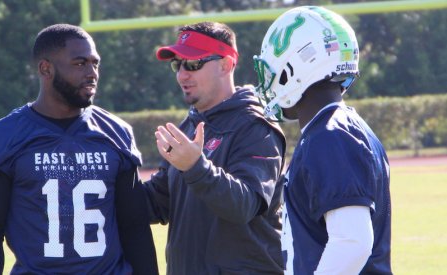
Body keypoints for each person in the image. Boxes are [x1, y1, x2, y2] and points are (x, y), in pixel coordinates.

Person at [0, 24, 158, 275]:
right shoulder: (1, 139)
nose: (92, 73)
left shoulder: (116, 132)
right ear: (45, 68)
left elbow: (134, 226)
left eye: (95, 63)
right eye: (80, 63)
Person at [253, 6, 392, 274]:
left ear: (296, 67)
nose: (268, 83)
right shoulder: (335, 130)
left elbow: (352, 242)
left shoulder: (331, 136)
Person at [143, 21, 287, 274]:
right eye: (177, 65)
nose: (182, 74)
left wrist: (196, 168)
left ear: (226, 64)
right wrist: (108, 180)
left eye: (193, 64)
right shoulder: (189, 125)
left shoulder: (256, 126)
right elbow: (158, 203)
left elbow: (245, 205)